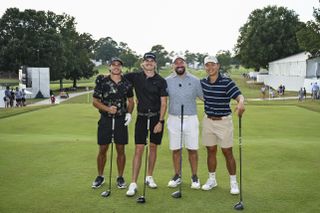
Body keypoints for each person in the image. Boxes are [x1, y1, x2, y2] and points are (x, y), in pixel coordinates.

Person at [200, 55, 245, 195]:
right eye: (207, 65)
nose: (210, 67)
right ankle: (212, 179)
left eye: (213, 64)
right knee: (211, 150)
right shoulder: (202, 83)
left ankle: (233, 182)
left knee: (227, 152)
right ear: (205, 67)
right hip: (208, 121)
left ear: (218, 66)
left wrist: (241, 103)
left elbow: (239, 96)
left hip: (224, 121)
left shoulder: (226, 82)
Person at [124, 52, 168, 196]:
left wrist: (160, 122)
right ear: (142, 63)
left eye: (152, 61)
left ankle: (149, 176)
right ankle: (133, 182)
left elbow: (163, 103)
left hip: (156, 117)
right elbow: (118, 78)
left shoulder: (161, 80)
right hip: (141, 118)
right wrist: (104, 78)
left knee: (153, 147)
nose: (149, 63)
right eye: (147, 60)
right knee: (139, 149)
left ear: (155, 64)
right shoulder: (135, 76)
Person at [91, 57, 134, 189]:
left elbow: (131, 101)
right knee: (103, 148)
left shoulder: (127, 83)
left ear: (121, 67)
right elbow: (95, 101)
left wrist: (129, 113)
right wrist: (108, 109)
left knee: (120, 149)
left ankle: (120, 177)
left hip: (121, 120)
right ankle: (100, 176)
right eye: (113, 65)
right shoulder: (102, 81)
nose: (116, 67)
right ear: (109, 67)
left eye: (118, 65)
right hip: (105, 119)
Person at [165, 56, 203, 189]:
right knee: (176, 149)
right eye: (176, 63)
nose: (179, 65)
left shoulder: (195, 80)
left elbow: (204, 97)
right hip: (174, 118)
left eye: (181, 62)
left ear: (186, 64)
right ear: (173, 66)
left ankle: (194, 176)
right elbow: (161, 99)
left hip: (191, 118)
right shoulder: (167, 81)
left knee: (192, 149)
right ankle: (177, 175)